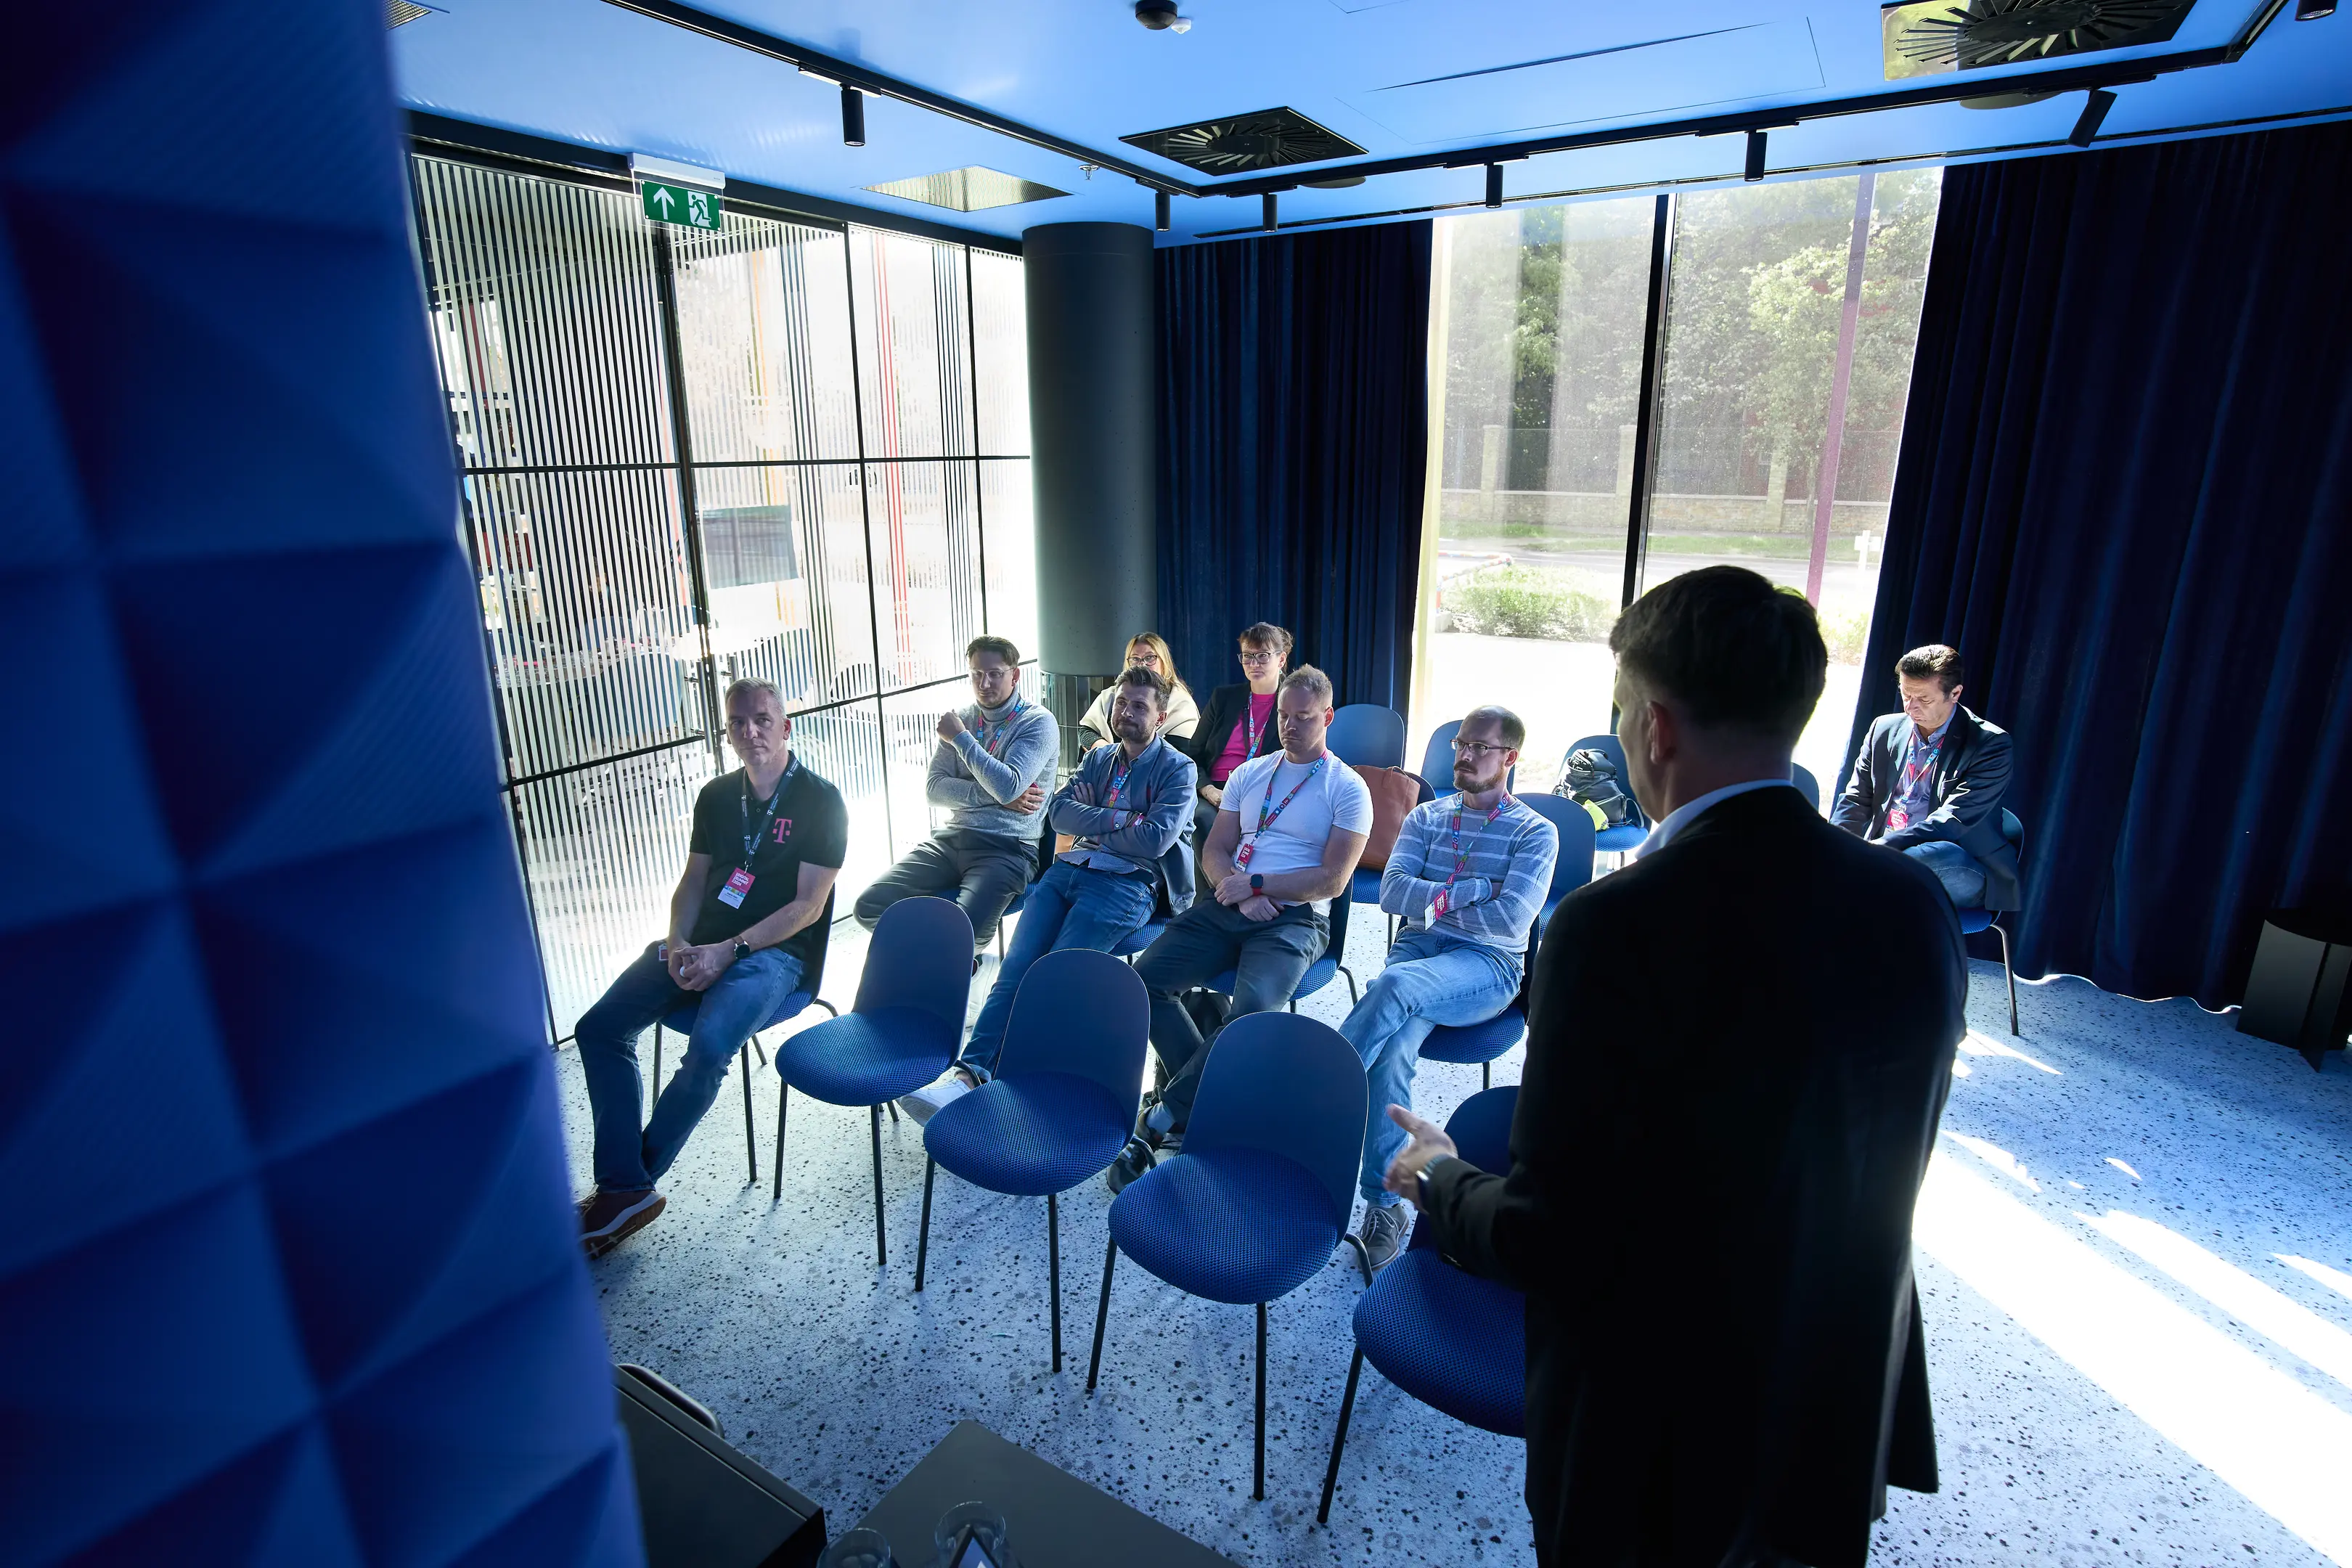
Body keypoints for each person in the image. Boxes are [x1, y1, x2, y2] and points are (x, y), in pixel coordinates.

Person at [1383, 566, 1964, 1568]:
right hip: (1833, 1397)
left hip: (1658, 1431)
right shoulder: (1910, 902)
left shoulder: (1612, 928)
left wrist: (1436, 1174)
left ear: (1652, 727)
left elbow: (1553, 1238)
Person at [574, 678, 848, 1258]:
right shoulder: (717, 796)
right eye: (737, 722)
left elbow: (808, 907)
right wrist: (678, 940)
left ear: (786, 726)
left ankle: (625, 1186)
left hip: (775, 955)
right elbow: (694, 881)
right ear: (726, 732)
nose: (750, 732)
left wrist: (731, 950)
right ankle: (625, 1187)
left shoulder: (822, 800)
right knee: (598, 1028)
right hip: (700, 944)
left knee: (708, 1048)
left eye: (762, 720)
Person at [1109, 665, 1372, 1192]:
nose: (1290, 726)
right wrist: (1239, 888)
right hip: (1230, 903)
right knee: (1142, 983)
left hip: (1295, 919)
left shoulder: (1348, 788)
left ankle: (1163, 1118)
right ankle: (1211, 1108)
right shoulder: (1251, 773)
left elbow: (1333, 880)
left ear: (1328, 717)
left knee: (1251, 1014)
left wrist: (1256, 884)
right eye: (1283, 716)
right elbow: (1215, 849)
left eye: (1303, 718)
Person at [900, 666, 1199, 1122]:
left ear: (1160, 718)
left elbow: (1155, 840)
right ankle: (966, 1077)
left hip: (1129, 882)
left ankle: (1014, 1091)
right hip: (1071, 870)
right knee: (1015, 970)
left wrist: (1094, 815)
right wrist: (1123, 818)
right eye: (1121, 702)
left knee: (1055, 978)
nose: (1126, 712)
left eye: (1139, 706)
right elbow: (1057, 813)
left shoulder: (1178, 768)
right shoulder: (1100, 758)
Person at [1344, 705, 1557, 1271]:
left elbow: (1511, 921)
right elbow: (1391, 894)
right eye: (1461, 743)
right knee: (1391, 1052)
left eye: (1479, 747)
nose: (1463, 755)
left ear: (1510, 757)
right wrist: (1473, 890)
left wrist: (1434, 898)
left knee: (1393, 986)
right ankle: (1385, 1204)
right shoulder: (1427, 817)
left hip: (1487, 965)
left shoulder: (1536, 832)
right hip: (1418, 951)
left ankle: (1315, 1096)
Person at [854, 635, 1056, 951]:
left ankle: (945, 958)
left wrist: (962, 739)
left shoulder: (1037, 722)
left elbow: (1008, 786)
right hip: (951, 840)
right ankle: (943, 957)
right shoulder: (962, 718)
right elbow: (934, 790)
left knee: (967, 934)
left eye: (995, 674)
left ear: (1015, 675)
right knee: (869, 906)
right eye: (976, 674)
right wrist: (998, 795)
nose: (984, 684)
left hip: (1007, 847)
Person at [1832, 643, 2019, 912]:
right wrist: (1837, 843)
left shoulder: (1990, 745)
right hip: (1882, 856)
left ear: (1955, 693)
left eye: (1924, 699)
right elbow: (1856, 798)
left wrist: (1878, 849)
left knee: (1923, 859)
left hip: (1960, 861)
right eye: (1906, 694)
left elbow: (1951, 822)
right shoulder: (1884, 729)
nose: (1911, 707)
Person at [1181, 622, 1293, 849]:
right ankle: (1217, 875)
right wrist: (1208, 790)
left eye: (1263, 656)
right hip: (1217, 790)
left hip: (1265, 792)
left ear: (1281, 659)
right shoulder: (1223, 698)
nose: (1254, 664)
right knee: (1201, 820)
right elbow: (1193, 755)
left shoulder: (1293, 703)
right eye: (1248, 656)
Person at [1077, 633, 1200, 751]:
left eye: (1150, 658)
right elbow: (1086, 732)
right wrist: (1110, 754)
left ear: (1164, 662)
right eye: (1135, 659)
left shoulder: (1181, 704)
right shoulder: (1110, 696)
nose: (1142, 665)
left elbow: (1179, 751)